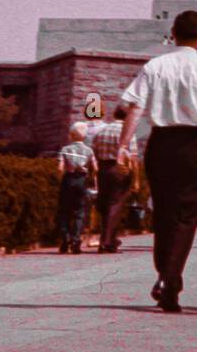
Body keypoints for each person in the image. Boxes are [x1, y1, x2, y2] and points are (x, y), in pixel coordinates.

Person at [118, 9, 197, 314]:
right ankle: (170, 279)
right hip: (195, 144)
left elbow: (135, 108)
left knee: (164, 215)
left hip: (161, 144)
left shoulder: (155, 66)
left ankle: (167, 277)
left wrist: (123, 145)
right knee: (186, 217)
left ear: (173, 32)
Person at [90, 104, 138, 252]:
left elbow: (94, 152)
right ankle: (107, 242)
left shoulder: (101, 131)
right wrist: (136, 179)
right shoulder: (128, 133)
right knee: (115, 205)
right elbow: (134, 158)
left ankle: (108, 238)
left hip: (103, 169)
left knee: (105, 204)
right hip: (120, 169)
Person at [56, 121, 96, 254]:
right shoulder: (89, 150)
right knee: (79, 212)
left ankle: (64, 239)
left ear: (71, 135)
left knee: (64, 211)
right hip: (81, 180)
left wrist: (60, 176)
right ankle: (76, 240)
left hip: (68, 180)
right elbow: (95, 168)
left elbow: (60, 168)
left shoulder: (65, 149)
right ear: (84, 137)